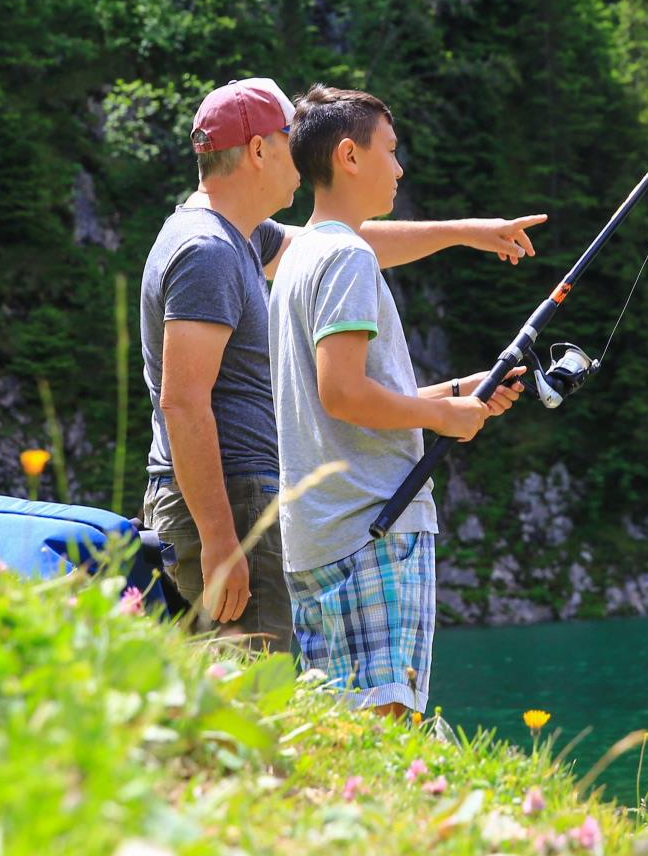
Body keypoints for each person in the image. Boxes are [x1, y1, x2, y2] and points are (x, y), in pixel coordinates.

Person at [139, 77, 543, 651]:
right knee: (251, 701)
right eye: (287, 137)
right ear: (259, 150)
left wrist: (465, 234)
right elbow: (182, 400)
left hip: (239, 500)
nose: (299, 157)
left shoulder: (241, 238)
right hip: (226, 503)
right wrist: (220, 538)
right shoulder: (207, 251)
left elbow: (339, 244)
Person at [269, 84, 523, 715]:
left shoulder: (300, 258)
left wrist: (462, 394)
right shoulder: (349, 258)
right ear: (349, 156)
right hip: (374, 530)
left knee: (338, 732)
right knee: (387, 724)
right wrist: (442, 416)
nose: (400, 166)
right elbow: (343, 393)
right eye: (390, 149)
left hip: (317, 538)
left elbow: (345, 396)